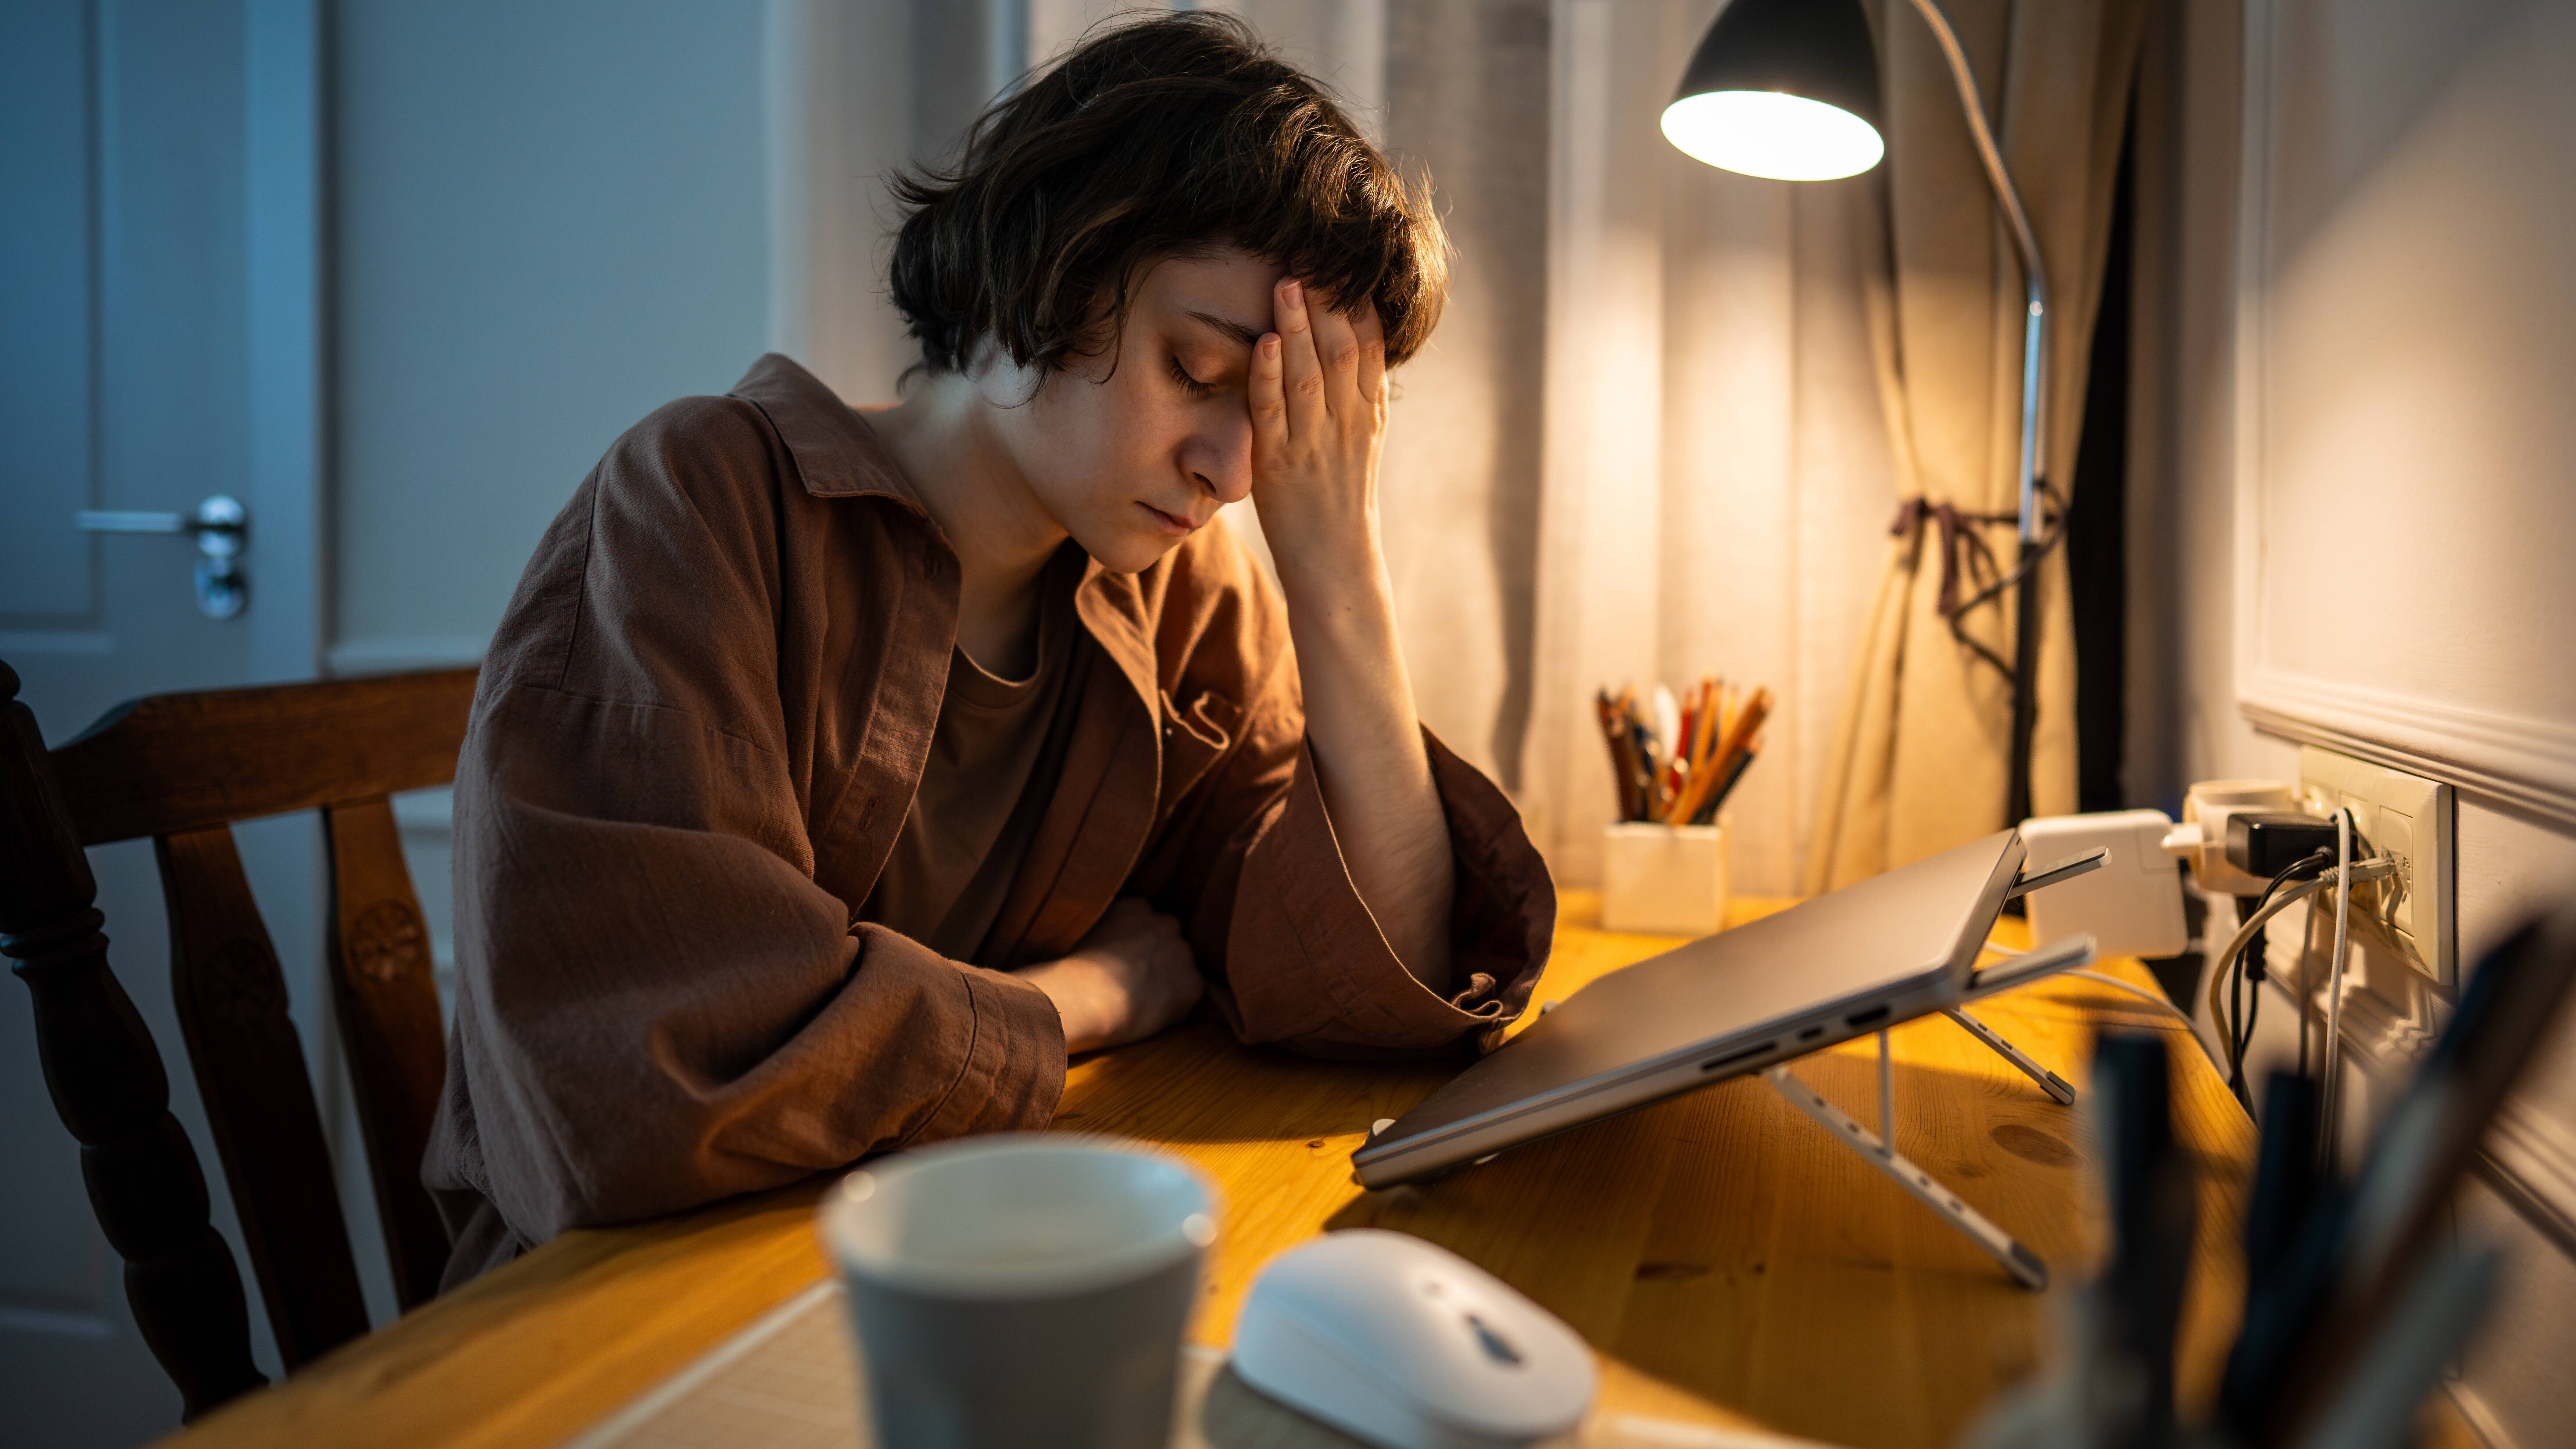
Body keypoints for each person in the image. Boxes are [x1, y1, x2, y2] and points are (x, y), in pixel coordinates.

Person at [423, 12, 1553, 1287]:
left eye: (1278, 414)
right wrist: (1084, 1000)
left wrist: (1337, 565)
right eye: (1197, 370)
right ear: (1045, 274)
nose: (1234, 471)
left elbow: (1365, 980)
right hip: (619, 1304)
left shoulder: (1183, 591)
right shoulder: (702, 502)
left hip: (963, 1251)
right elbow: (645, 1089)